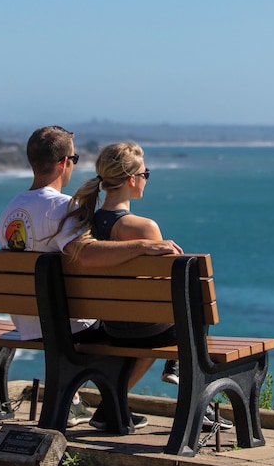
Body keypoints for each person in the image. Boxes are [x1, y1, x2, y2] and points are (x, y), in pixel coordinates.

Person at [0, 126, 182, 428]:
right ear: (63, 163)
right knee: (138, 327)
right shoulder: (60, 207)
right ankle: (112, 403)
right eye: (74, 157)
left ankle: (97, 404)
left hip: (27, 321)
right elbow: (87, 254)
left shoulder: (11, 209)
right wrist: (144, 245)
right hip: (67, 325)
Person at [60, 140, 233, 432]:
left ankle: (108, 409)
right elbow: (165, 290)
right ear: (131, 180)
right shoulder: (143, 228)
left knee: (164, 320)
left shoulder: (85, 223)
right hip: (143, 329)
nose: (146, 180)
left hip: (110, 326)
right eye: (145, 174)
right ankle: (181, 375)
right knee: (196, 309)